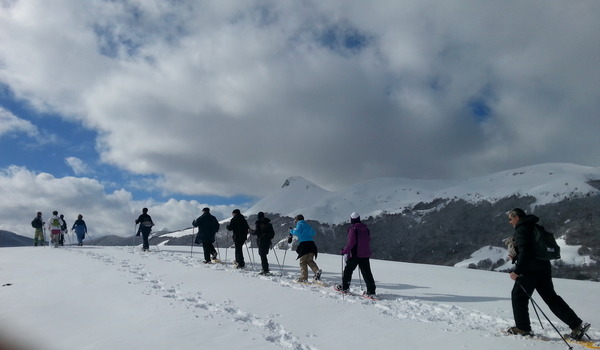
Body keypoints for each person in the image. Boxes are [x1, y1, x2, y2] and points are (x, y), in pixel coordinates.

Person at [506, 208, 590, 339]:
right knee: (551, 298)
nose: (510, 222)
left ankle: (523, 328)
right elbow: (533, 250)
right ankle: (576, 325)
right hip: (543, 267)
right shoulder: (534, 226)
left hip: (529, 271)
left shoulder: (522, 229)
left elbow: (526, 251)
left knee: (518, 296)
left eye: (510, 219)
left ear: (516, 217)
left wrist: (517, 271)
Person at [335, 212, 376, 296]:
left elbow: (351, 242)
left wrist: (344, 251)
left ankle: (345, 288)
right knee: (367, 272)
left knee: (348, 271)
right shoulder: (366, 229)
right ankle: (371, 291)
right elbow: (367, 241)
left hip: (355, 254)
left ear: (352, 219)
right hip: (365, 254)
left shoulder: (353, 228)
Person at [289, 214, 321, 282]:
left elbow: (297, 232)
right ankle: (317, 271)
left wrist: (291, 231)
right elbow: (313, 233)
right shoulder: (307, 225)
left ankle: (304, 278)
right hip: (312, 244)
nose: (295, 221)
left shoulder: (300, 224)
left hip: (304, 245)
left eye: (295, 220)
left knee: (303, 262)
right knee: (309, 260)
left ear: (298, 220)